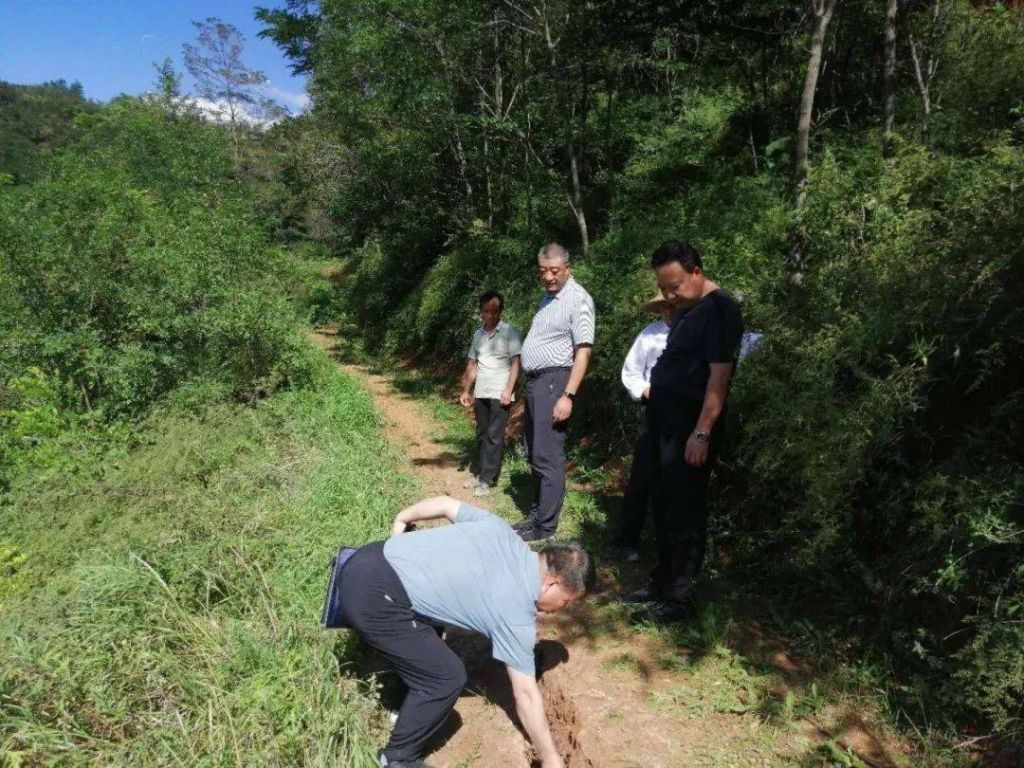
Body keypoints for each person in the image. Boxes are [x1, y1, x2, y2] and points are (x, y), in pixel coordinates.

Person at [337, 496, 596, 768]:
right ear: (551, 584)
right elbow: (527, 695)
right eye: (566, 602)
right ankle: (397, 757)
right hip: (372, 600)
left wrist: (403, 517)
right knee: (446, 677)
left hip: (365, 558)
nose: (560, 609)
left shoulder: (499, 530)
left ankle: (401, 694)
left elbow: (446, 505)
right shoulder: (515, 611)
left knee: (433, 628)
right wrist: (552, 758)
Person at [633, 241, 743, 618]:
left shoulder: (721, 310)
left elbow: (720, 377)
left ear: (697, 271)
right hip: (664, 425)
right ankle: (661, 583)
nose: (669, 294)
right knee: (663, 506)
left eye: (675, 285)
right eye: (663, 287)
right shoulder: (687, 309)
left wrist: (702, 433)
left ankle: (679, 599)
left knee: (685, 511)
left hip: (689, 430)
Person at [515, 242, 595, 543]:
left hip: (555, 382)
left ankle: (545, 526)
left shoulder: (578, 299)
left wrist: (568, 395)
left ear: (567, 269)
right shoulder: (547, 298)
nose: (548, 277)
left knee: (548, 456)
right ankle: (536, 516)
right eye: (543, 271)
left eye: (554, 271)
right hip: (537, 383)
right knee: (536, 452)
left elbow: (583, 351)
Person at [614, 295, 676, 562]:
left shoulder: (698, 332)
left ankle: (670, 548)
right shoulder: (650, 335)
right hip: (655, 412)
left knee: (674, 483)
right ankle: (627, 541)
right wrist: (645, 390)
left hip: (687, 415)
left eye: (674, 304)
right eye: (665, 305)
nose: (669, 309)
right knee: (642, 478)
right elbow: (631, 372)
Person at [459, 291, 522, 497]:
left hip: (500, 393)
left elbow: (515, 363)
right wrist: (467, 390)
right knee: (482, 434)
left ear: (500, 311)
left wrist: (508, 390)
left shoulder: (509, 332)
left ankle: (486, 480)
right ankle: (482, 473)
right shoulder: (478, 335)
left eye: (495, 311)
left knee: (494, 437)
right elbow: (472, 364)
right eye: (487, 311)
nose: (491, 315)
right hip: (482, 392)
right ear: (481, 312)